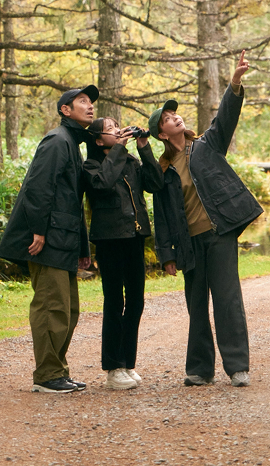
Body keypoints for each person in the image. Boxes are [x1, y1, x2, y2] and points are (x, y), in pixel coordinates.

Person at [149, 51, 262, 388]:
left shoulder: (207, 144)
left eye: (175, 113)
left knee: (227, 300)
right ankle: (200, 369)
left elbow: (225, 117)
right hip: (189, 244)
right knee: (196, 306)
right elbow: (163, 216)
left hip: (219, 234)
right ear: (161, 134)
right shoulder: (162, 170)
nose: (175, 117)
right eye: (167, 118)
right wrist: (166, 255)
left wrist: (235, 83)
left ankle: (237, 367)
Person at [0, 84, 98, 394]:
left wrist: (82, 248)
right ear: (65, 110)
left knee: (68, 311)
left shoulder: (72, 142)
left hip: (64, 241)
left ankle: (57, 371)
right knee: (51, 308)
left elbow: (73, 202)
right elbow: (37, 189)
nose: (90, 106)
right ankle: (46, 375)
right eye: (82, 101)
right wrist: (38, 231)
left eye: (91, 102)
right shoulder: (57, 141)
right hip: (48, 240)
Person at [83, 116, 164, 390]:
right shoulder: (91, 165)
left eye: (118, 127)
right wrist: (119, 148)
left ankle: (128, 363)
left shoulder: (131, 161)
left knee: (137, 301)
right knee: (114, 302)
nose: (118, 131)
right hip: (110, 239)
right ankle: (113, 367)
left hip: (134, 236)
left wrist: (144, 147)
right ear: (98, 140)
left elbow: (156, 183)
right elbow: (103, 183)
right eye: (110, 129)